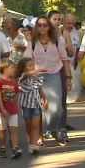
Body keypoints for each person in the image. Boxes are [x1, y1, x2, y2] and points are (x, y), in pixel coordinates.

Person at [23, 16, 72, 146]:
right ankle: (39, 136)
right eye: (40, 25)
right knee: (40, 109)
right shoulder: (32, 43)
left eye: (45, 25)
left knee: (57, 108)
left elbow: (65, 60)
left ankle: (53, 129)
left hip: (54, 75)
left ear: (49, 27)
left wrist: (68, 78)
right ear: (36, 27)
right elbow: (26, 62)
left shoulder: (57, 42)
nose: (42, 27)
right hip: (37, 77)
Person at [48, 11, 75, 140]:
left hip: (61, 69)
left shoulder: (64, 33)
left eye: (59, 19)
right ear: (49, 20)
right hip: (47, 70)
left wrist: (68, 46)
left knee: (62, 100)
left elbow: (70, 53)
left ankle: (62, 128)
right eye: (55, 19)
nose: (57, 21)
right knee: (47, 99)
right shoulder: (43, 33)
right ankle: (48, 128)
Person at [17, 57, 47, 154]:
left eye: (33, 65)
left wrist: (44, 99)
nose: (33, 67)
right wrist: (40, 70)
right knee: (28, 125)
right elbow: (27, 74)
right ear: (24, 68)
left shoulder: (37, 78)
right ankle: (30, 142)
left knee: (36, 125)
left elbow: (40, 91)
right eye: (30, 66)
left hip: (36, 105)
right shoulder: (22, 77)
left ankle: (34, 145)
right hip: (26, 106)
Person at [0, 59, 22, 159]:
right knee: (2, 129)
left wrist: (16, 106)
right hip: (3, 110)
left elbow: (16, 94)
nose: (14, 69)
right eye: (12, 68)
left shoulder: (14, 82)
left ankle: (15, 147)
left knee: (13, 129)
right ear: (4, 69)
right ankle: (2, 147)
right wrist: (1, 109)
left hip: (13, 110)